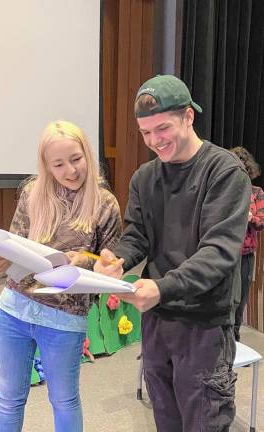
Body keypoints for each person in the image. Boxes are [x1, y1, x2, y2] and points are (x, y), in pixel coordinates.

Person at [94, 75, 251, 431]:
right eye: (145, 132)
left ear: (188, 117)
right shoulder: (144, 178)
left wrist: (162, 288)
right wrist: (118, 259)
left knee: (203, 422)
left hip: (205, 326)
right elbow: (137, 236)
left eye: (162, 128)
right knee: (165, 420)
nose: (154, 141)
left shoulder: (224, 172)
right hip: (158, 323)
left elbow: (218, 253)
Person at [0, 120, 122, 432]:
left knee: (63, 400)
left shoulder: (105, 203)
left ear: (87, 153)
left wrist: (85, 260)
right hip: (14, 308)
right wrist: (1, 261)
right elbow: (15, 243)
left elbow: (111, 263)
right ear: (46, 166)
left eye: (76, 159)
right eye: (58, 164)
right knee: (8, 398)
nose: (70, 171)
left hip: (64, 319)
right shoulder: (32, 192)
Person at [229, 147, 264, 341]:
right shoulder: (223, 192)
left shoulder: (256, 193)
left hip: (245, 255)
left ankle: (234, 344)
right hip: (223, 254)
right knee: (224, 301)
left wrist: (251, 218)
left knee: (240, 301)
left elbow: (262, 221)